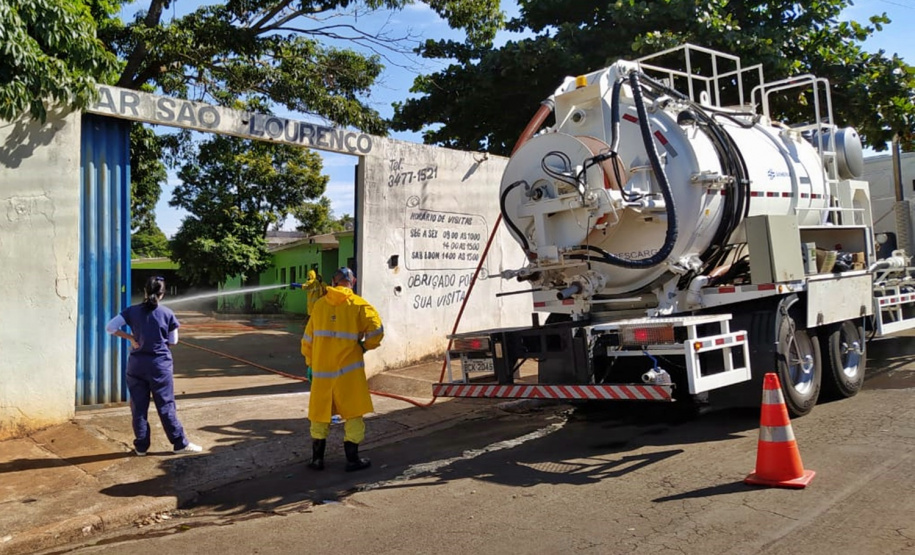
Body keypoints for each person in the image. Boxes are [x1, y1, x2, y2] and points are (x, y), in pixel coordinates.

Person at [105, 276, 203, 456]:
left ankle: (141, 447)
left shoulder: (131, 311)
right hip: (159, 366)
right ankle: (179, 444)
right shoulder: (167, 313)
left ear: (145, 291)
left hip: (136, 366)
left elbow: (110, 327)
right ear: (162, 294)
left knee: (138, 407)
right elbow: (173, 340)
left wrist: (132, 338)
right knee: (165, 405)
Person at [301, 267, 383, 472]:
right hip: (349, 372)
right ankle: (352, 460)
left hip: (322, 372)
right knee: (353, 413)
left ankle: (317, 460)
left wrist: (310, 364)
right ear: (352, 282)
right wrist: (364, 346)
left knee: (320, 414)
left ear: (333, 282)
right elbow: (377, 331)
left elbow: (307, 340)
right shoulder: (359, 305)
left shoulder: (319, 306)